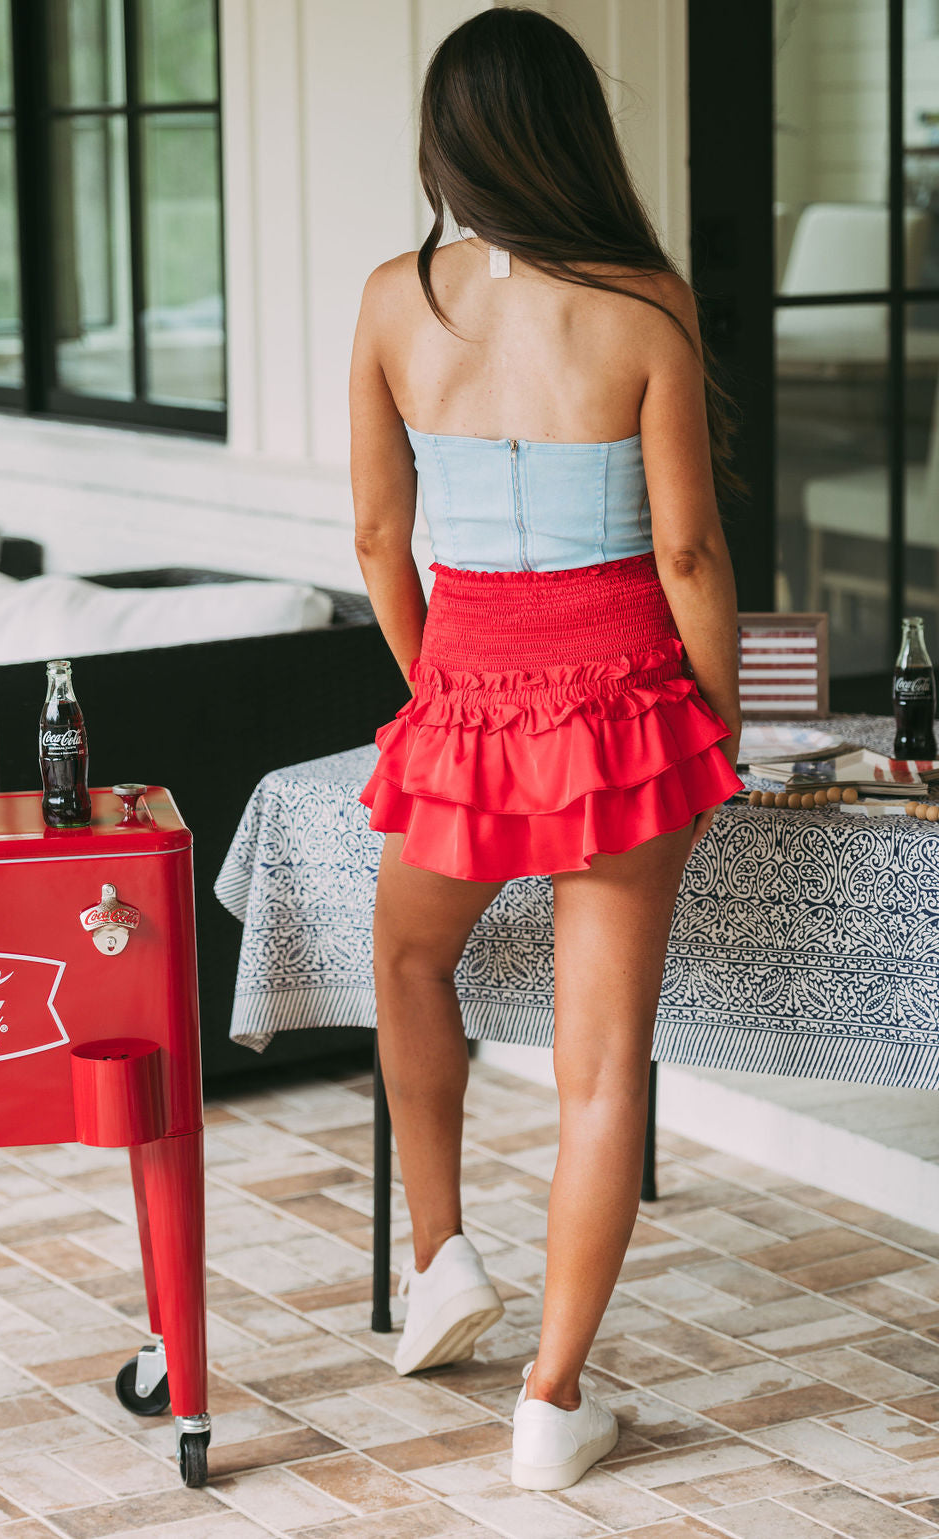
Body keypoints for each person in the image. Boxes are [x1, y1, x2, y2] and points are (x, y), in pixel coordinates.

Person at [349, 5, 746, 1494]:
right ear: (575, 135)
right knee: (599, 1075)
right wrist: (719, 726)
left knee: (407, 963)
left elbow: (382, 537)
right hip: (632, 706)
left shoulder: (400, 298)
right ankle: (550, 1406)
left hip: (467, 698)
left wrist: (446, 687)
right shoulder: (647, 305)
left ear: (449, 146)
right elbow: (694, 552)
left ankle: (440, 1250)